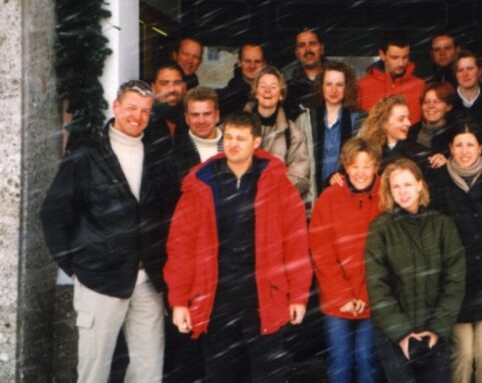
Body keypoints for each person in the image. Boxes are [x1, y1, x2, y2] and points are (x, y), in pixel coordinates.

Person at [164, 111, 313, 383]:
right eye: (229, 137)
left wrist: (298, 296)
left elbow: (295, 243)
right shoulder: (202, 183)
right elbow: (181, 247)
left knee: (269, 374)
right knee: (220, 373)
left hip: (264, 292)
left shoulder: (277, 183)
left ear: (256, 142)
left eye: (241, 139)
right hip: (216, 294)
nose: (232, 144)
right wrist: (179, 301)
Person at [41, 80, 166, 382]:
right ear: (116, 106)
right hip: (99, 277)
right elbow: (53, 212)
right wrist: (73, 267)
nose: (137, 116)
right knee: (94, 370)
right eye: (132, 107)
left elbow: (164, 212)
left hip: (148, 280)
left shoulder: (157, 153)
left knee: (148, 371)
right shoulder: (87, 153)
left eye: (145, 111)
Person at [429, 122, 482, 383]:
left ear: (480, 148)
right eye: (459, 145)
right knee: (463, 355)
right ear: (450, 148)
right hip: (456, 287)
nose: (464, 151)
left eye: (470, 144)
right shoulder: (439, 183)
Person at [365, 158, 466, 383]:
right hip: (394, 334)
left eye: (408, 184)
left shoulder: (442, 225)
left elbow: (454, 280)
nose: (403, 192)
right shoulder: (381, 228)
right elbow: (377, 285)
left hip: (434, 328)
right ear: (389, 191)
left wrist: (436, 329)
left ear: (420, 185)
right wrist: (402, 333)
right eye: (396, 186)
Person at [162, 85, 223, 382]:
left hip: (227, 254)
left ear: (217, 115)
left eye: (206, 114)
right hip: (194, 253)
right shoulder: (174, 156)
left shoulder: (233, 145)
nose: (201, 120)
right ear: (186, 117)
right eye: (195, 115)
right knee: (190, 342)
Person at [309, 138, 383, 383]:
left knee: (365, 357)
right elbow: (321, 252)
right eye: (354, 166)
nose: (360, 173)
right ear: (345, 167)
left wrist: (365, 295)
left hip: (373, 296)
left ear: (376, 167)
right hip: (337, 299)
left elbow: (386, 255)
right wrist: (343, 296)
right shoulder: (330, 198)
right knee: (340, 360)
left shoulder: (385, 198)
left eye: (367, 166)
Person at [296, 61, 366, 204]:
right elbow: (299, 163)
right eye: (329, 84)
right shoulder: (306, 120)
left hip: (348, 198)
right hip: (312, 200)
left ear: (347, 87)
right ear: (321, 86)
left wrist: (342, 175)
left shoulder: (359, 121)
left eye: (339, 85)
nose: (334, 90)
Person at [245, 66, 310, 196]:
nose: (267, 90)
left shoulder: (292, 133)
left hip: (276, 201)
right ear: (256, 93)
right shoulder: (236, 127)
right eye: (263, 86)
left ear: (281, 95)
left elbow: (299, 176)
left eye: (273, 86)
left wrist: (272, 192)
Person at [357, 35, 426, 124]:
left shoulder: (420, 86)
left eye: (405, 57)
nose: (401, 63)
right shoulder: (362, 86)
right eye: (395, 57)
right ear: (382, 55)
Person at [358, 95, 430, 178]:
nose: (408, 123)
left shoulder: (419, 152)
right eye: (401, 119)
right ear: (384, 123)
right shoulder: (368, 153)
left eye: (408, 118)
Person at [407, 81, 457, 170]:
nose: (431, 106)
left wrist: (447, 165)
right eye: (426, 102)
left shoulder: (456, 135)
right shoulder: (410, 132)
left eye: (437, 102)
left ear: (448, 106)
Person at [146, 62, 188, 158]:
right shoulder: (143, 123)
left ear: (184, 87)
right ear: (153, 88)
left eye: (177, 83)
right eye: (164, 83)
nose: (171, 89)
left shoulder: (193, 121)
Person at [285, 29, 327, 117]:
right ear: (296, 53)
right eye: (301, 45)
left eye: (312, 44)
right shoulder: (288, 88)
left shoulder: (339, 81)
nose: (308, 50)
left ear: (322, 49)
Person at [218, 43, 266, 119]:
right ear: (239, 62)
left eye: (257, 61)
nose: (252, 66)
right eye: (247, 61)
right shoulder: (226, 98)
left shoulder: (272, 95)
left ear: (264, 64)